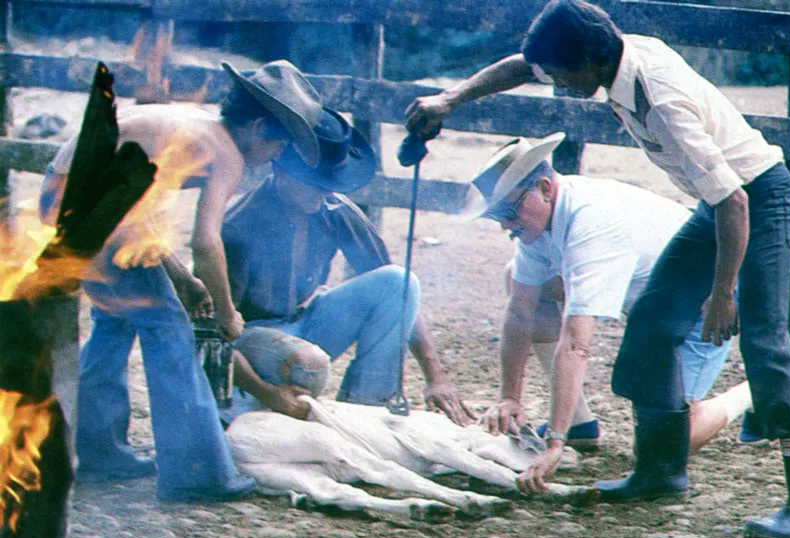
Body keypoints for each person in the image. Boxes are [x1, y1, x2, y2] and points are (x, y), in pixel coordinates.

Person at [406, 0, 790, 538]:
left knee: (764, 342)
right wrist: (450, 98)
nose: (560, 86)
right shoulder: (604, 54)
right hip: (714, 206)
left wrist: (721, 293)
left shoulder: (661, 102)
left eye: (566, 75)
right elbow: (524, 66)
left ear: (591, 60)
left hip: (756, 198)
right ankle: (659, 471)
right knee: (651, 325)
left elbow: (735, 201)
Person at [39, 60, 325, 502]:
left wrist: (180, 277)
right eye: (278, 144)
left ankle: (99, 453)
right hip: (91, 208)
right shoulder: (226, 153)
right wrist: (227, 311)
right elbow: (206, 241)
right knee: (169, 331)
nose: (274, 156)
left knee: (115, 323)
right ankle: (197, 474)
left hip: (65, 197)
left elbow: (135, 203)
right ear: (256, 128)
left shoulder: (198, 127)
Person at [469, 132, 750, 481]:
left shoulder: (591, 222)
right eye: (498, 215)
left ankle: (752, 389)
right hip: (653, 306)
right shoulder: (536, 221)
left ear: (544, 187)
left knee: (669, 440)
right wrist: (509, 397)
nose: (504, 225)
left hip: (705, 302)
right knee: (520, 278)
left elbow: (577, 343)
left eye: (509, 211)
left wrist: (553, 443)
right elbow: (520, 310)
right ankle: (579, 424)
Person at [218, 106, 475, 427]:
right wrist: (264, 391)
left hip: (302, 320)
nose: (325, 192)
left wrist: (436, 377)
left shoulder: (334, 208)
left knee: (399, 282)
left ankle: (368, 412)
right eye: (313, 182)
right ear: (281, 172)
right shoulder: (240, 225)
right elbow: (214, 337)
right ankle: (254, 407)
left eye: (331, 183)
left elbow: (397, 294)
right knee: (306, 366)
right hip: (250, 338)